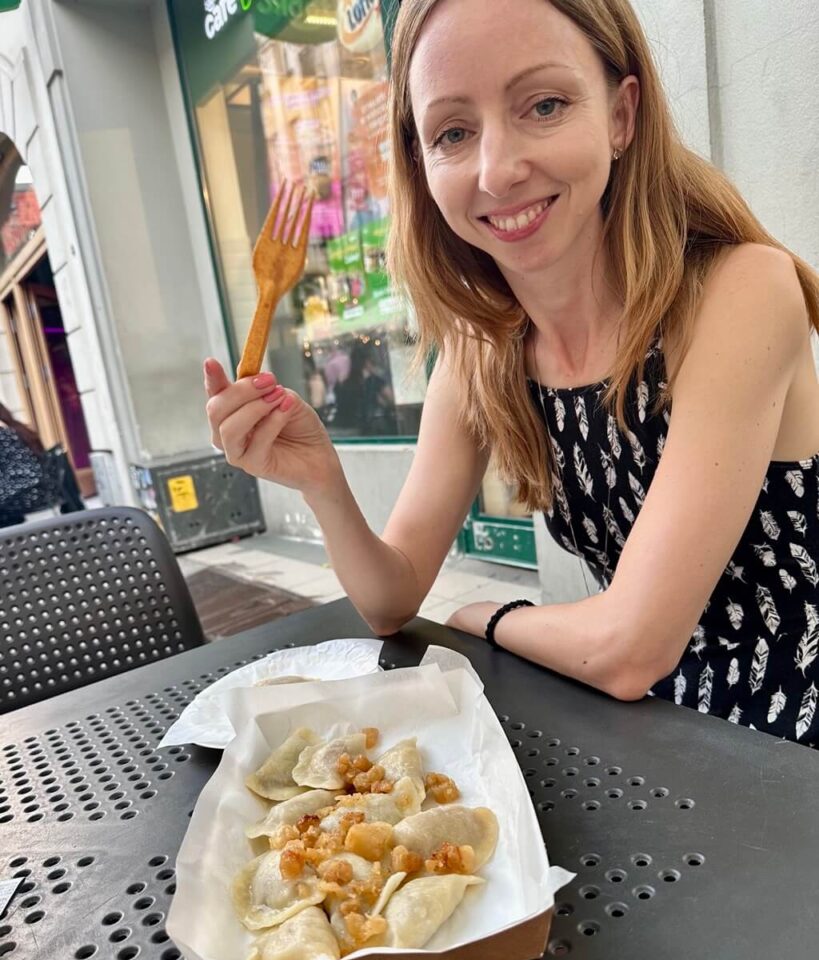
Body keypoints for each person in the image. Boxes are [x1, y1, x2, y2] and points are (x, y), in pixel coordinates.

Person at [204, 0, 819, 745]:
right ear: (421, 164)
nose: (497, 170)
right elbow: (390, 601)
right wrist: (321, 482)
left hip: (792, 730)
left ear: (621, 115)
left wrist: (487, 617)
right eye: (453, 132)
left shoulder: (739, 290)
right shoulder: (481, 349)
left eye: (544, 105)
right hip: (654, 729)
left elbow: (627, 648)